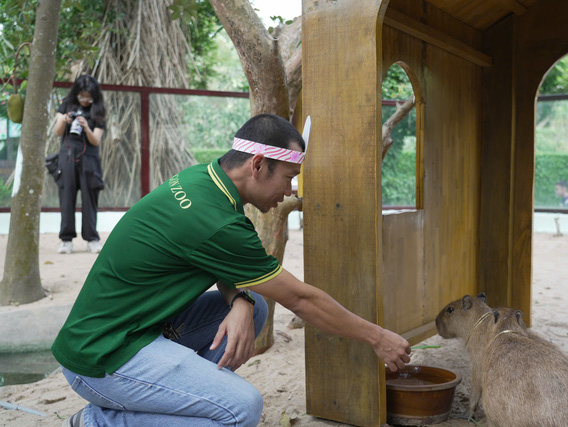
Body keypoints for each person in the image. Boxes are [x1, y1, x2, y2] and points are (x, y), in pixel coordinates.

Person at [53, 114, 411, 426]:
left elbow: (215, 260)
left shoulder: (205, 181)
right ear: (257, 165)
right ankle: (99, 421)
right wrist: (377, 338)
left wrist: (240, 299)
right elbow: (302, 300)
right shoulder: (217, 223)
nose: (289, 191)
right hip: (102, 357)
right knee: (241, 410)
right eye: (288, 177)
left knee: (254, 308)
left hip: (129, 329)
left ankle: (185, 401)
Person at [53, 75, 106, 254]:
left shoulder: (98, 110)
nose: (85, 100)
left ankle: (92, 239)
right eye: (82, 96)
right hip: (67, 157)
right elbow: (58, 132)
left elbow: (96, 140)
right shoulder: (67, 105)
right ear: (76, 93)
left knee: (90, 199)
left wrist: (86, 127)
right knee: (66, 198)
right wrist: (64, 120)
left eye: (88, 97)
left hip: (89, 159)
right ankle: (66, 240)